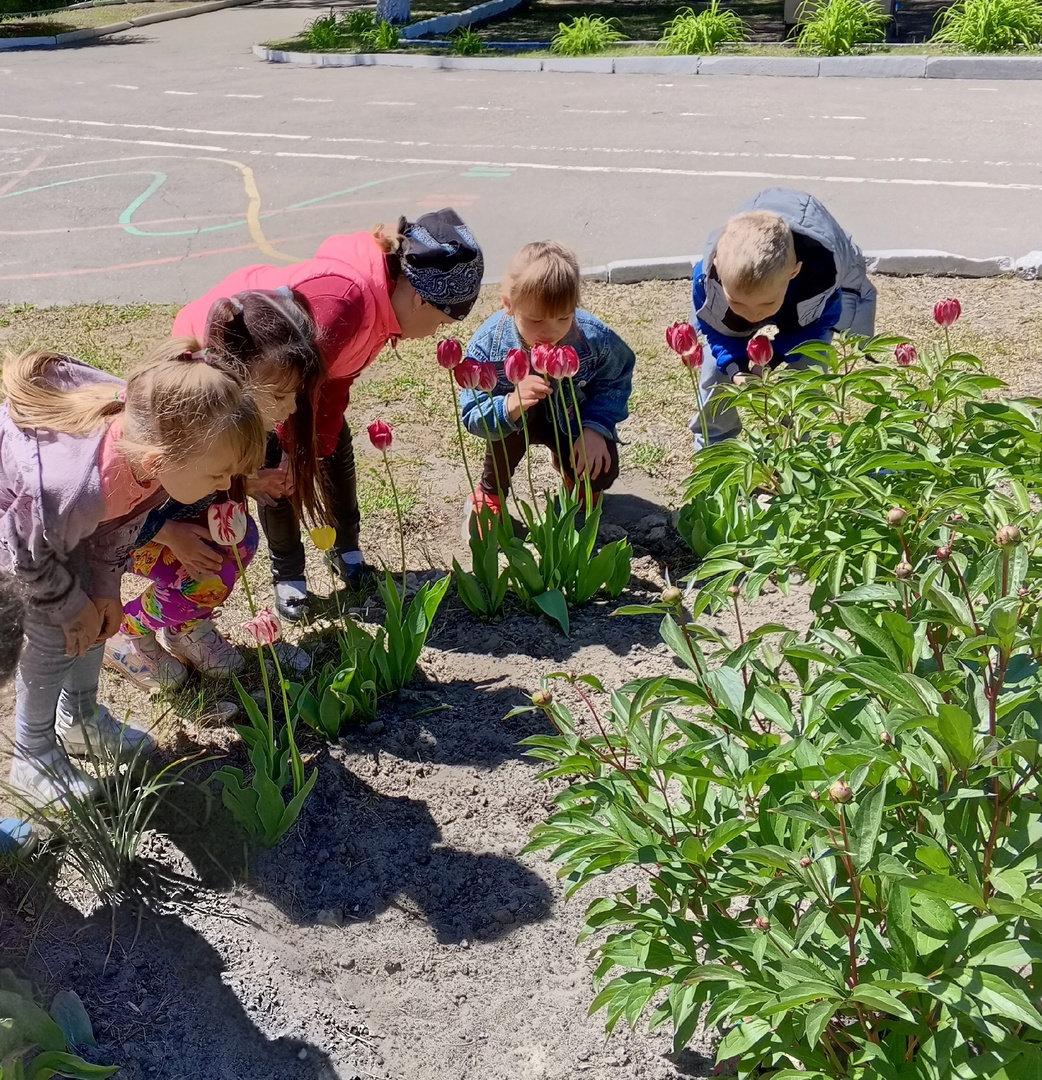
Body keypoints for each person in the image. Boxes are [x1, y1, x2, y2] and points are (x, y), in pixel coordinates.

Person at [173, 208, 484, 622]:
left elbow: (334, 381)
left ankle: (346, 548)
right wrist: (291, 453)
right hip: (235, 369)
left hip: (283, 380)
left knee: (332, 444)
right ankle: (289, 575)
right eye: (442, 321)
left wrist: (319, 444)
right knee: (276, 468)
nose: (436, 333)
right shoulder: (344, 302)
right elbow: (291, 388)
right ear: (420, 298)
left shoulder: (382, 306)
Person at [0, 345, 265, 807]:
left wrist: (103, 588)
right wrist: (69, 605)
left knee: (101, 613)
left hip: (59, 525)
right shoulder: (72, 486)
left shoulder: (151, 459)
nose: (225, 487)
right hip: (21, 526)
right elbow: (28, 556)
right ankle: (33, 753)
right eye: (219, 474)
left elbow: (119, 524)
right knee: (50, 629)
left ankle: (79, 717)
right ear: (161, 462)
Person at [103, 290, 323, 691]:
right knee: (207, 577)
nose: (291, 408)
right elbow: (133, 501)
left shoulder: (247, 424)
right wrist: (172, 534)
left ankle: (184, 626)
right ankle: (128, 629)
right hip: (135, 532)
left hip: (181, 520)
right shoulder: (199, 425)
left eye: (296, 396)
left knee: (240, 544)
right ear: (239, 379)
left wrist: (253, 484)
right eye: (279, 396)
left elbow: (216, 485)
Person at [458, 241, 634, 534]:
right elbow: (472, 415)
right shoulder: (489, 345)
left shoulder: (593, 337)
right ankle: (490, 494)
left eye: (564, 317)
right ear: (508, 305)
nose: (550, 331)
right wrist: (510, 404)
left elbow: (615, 377)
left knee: (602, 471)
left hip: (571, 417)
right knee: (512, 423)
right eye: (536, 319)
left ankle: (573, 472)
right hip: (515, 425)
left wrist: (595, 428)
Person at [689, 188, 877, 448]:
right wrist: (733, 367)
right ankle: (713, 444)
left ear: (794, 271)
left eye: (766, 304)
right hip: (766, 289)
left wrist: (773, 357)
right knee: (713, 370)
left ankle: (798, 444)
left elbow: (817, 326)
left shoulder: (820, 277)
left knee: (811, 367)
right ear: (718, 267)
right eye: (739, 303)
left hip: (807, 303)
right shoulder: (707, 279)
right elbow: (714, 329)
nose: (753, 314)